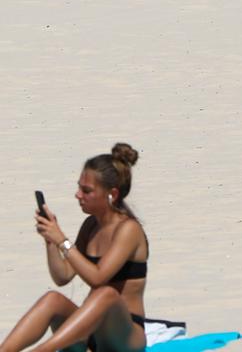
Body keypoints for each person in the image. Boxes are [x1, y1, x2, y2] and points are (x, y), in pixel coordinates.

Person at [0, 143, 147, 352]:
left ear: (111, 194)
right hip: (91, 332)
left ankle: (43, 350)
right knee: (52, 299)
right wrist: (50, 240)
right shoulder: (91, 225)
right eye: (79, 187)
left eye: (86, 190)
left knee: (106, 294)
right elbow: (63, 277)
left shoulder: (128, 229)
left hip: (125, 337)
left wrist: (62, 240)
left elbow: (98, 278)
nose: (78, 195)